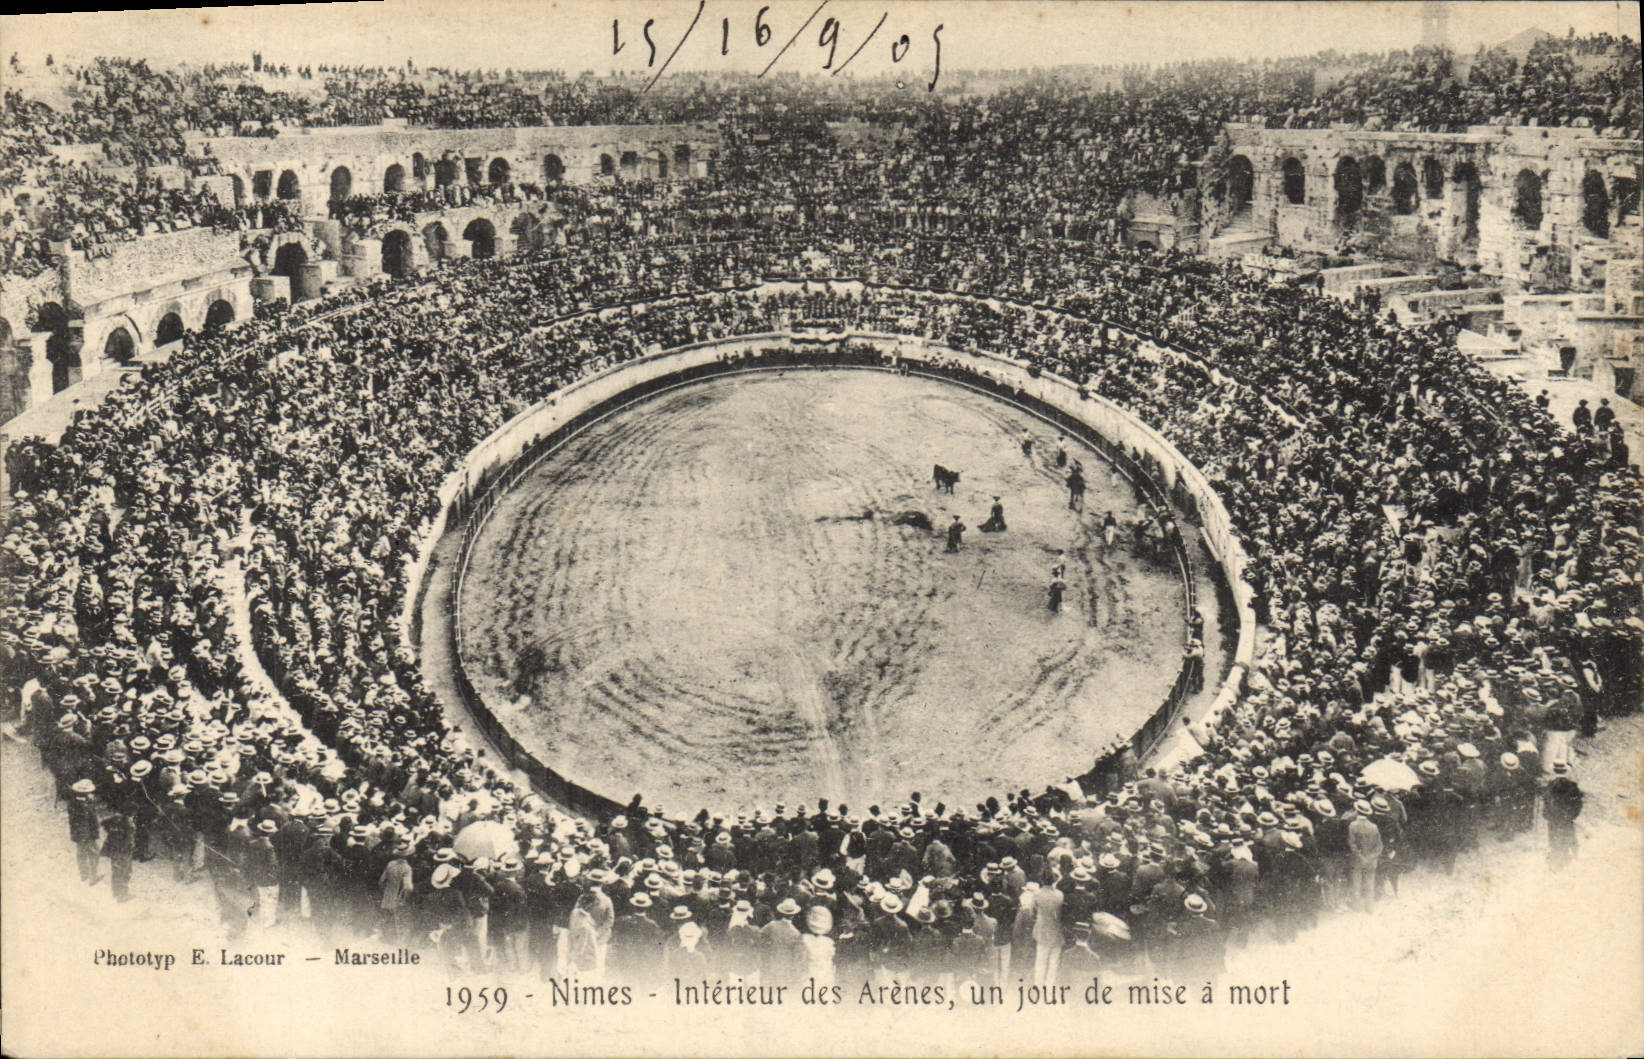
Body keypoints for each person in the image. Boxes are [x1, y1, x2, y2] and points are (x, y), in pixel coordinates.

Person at [1543, 762, 1583, 872]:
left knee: (1554, 839)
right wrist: (1572, 815)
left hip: (1553, 819)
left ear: (1553, 771)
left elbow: (1546, 803)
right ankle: (1565, 861)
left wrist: (1547, 815)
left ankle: (1555, 862)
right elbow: (1578, 804)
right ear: (1566, 772)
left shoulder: (1550, 786)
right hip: (1566, 819)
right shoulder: (1572, 786)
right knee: (1566, 839)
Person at [68, 779, 102, 884]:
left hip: (77, 833)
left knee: (81, 853)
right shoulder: (87, 805)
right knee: (94, 853)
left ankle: (84, 874)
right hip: (88, 834)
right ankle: (93, 877)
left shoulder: (72, 803)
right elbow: (90, 821)